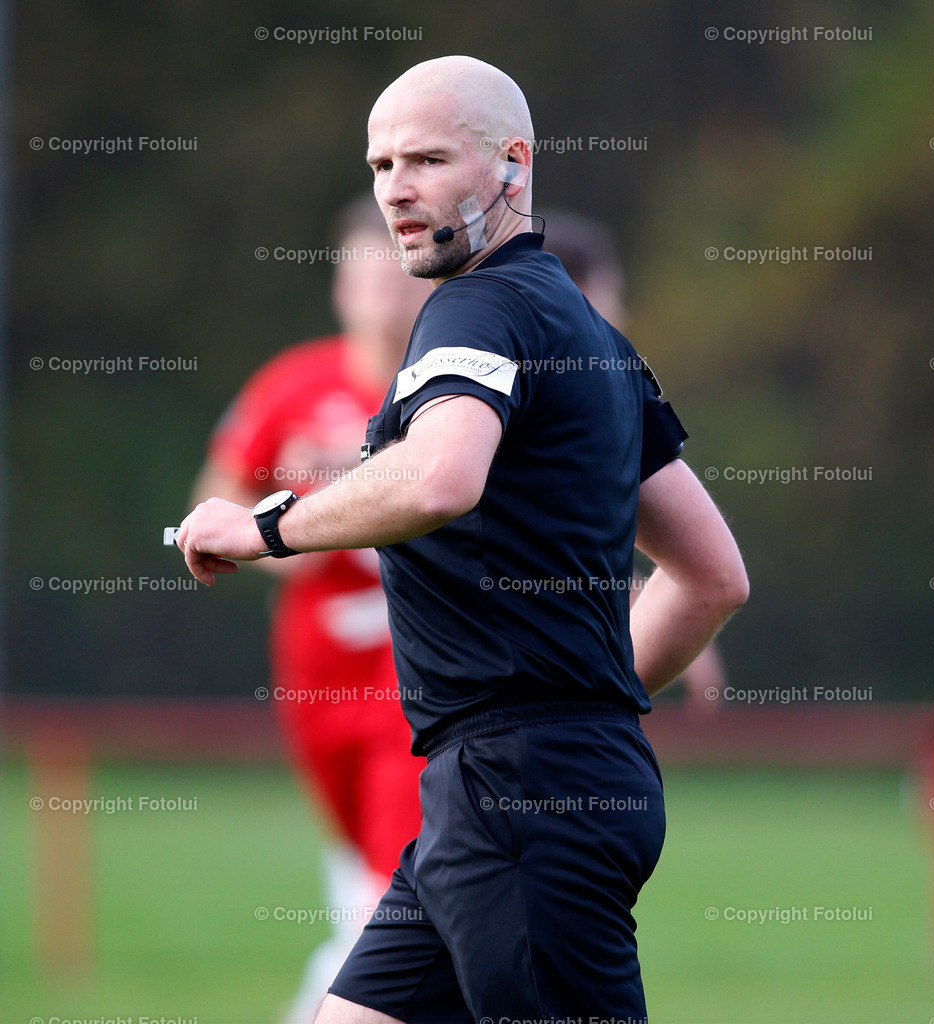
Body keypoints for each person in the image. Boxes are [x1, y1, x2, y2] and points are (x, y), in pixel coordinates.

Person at [174, 55, 749, 1023]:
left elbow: (441, 475)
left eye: (428, 159)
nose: (395, 187)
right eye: (379, 164)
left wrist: (264, 525)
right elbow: (713, 575)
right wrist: (591, 711)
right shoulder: (588, 334)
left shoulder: (475, 306)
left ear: (512, 165)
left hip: (522, 795)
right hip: (499, 787)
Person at [189, 195, 430, 1019]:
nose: (386, 295)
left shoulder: (450, 389)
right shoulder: (295, 384)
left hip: (417, 676)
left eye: (398, 275)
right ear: (338, 286)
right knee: (361, 878)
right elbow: (215, 500)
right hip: (317, 672)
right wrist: (287, 537)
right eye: (368, 274)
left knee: (391, 890)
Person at [541, 210, 730, 712]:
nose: (620, 315)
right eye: (613, 294)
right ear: (579, 293)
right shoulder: (569, 396)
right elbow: (715, 578)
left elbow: (575, 546)